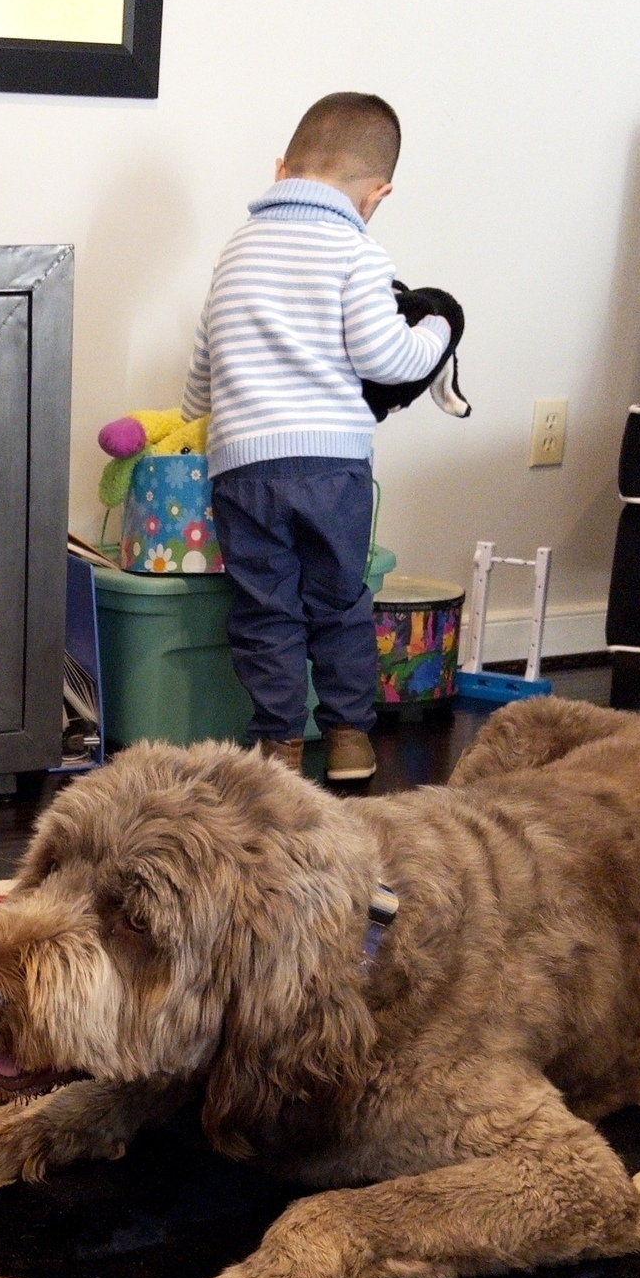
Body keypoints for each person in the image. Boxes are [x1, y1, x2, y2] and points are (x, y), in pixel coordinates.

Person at [183, 91, 454, 782]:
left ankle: (276, 746)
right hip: (331, 464)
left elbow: (204, 361)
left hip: (241, 465)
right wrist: (438, 331)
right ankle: (349, 741)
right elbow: (384, 358)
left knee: (266, 608)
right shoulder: (355, 248)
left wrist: (198, 417)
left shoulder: (237, 247)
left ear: (282, 168)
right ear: (377, 194)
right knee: (338, 601)